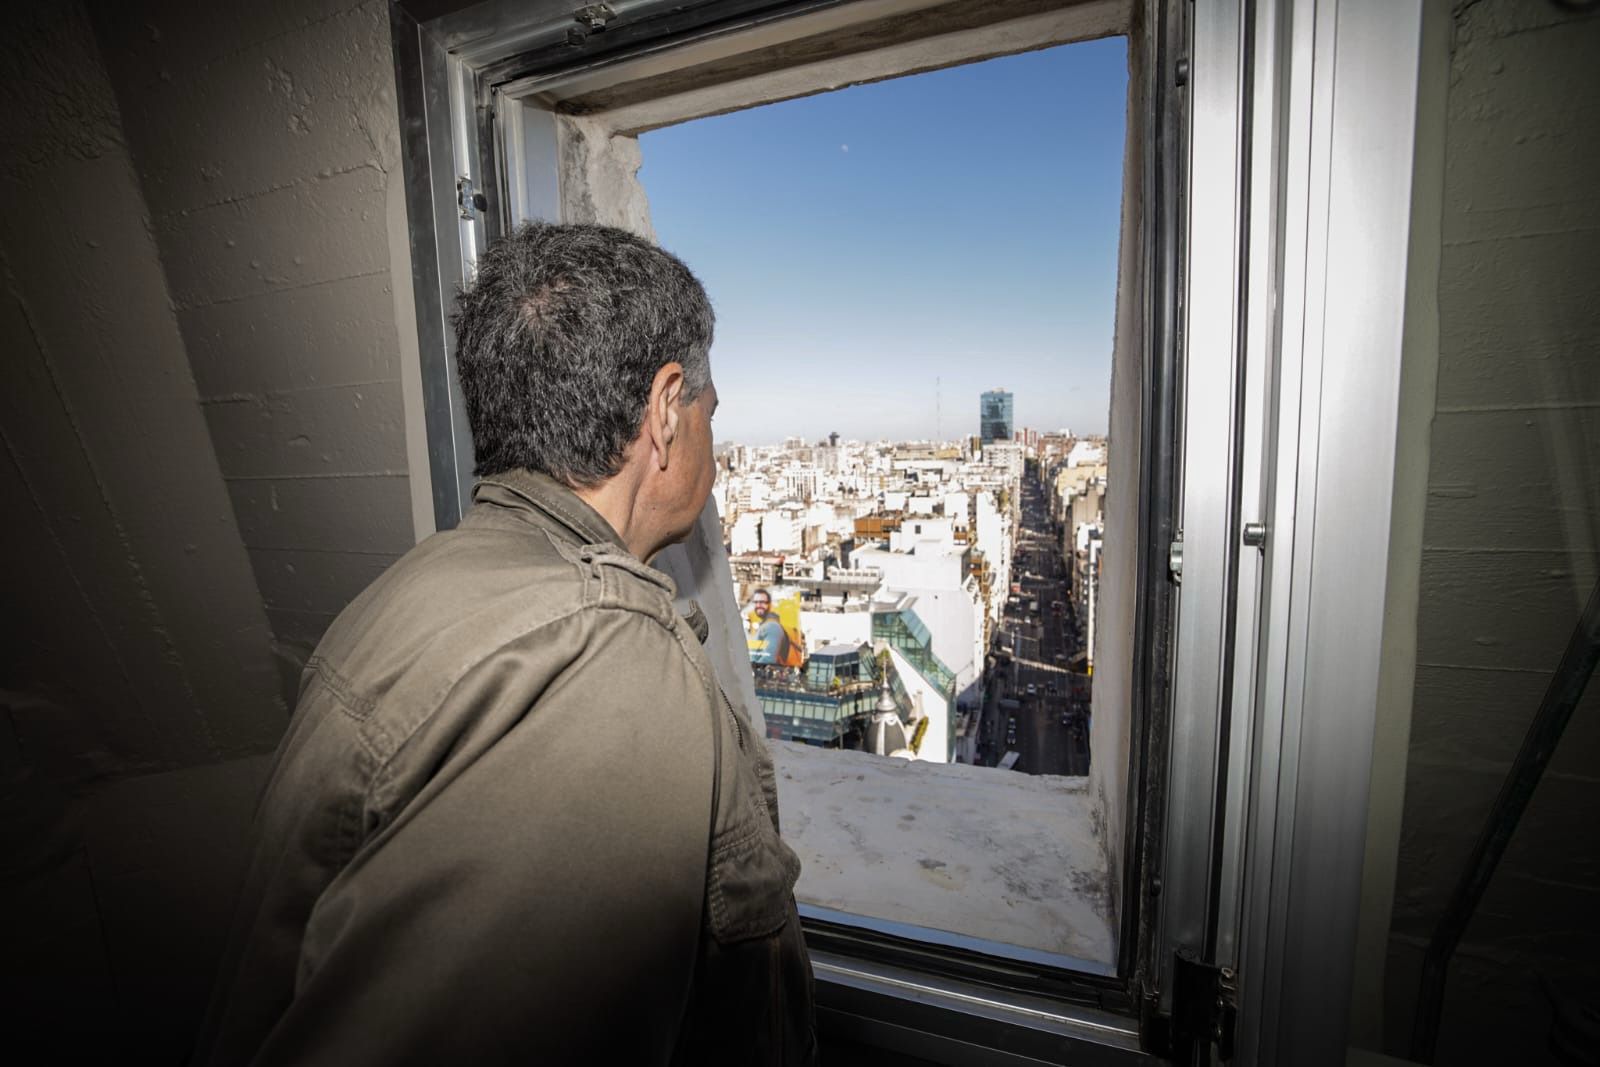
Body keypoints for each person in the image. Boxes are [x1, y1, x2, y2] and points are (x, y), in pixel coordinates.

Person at [194, 222, 816, 1066]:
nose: (714, 437)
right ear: (666, 410)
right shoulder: (601, 667)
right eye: (711, 411)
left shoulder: (409, 588)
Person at [747, 586, 791, 666]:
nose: (758, 605)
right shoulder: (763, 624)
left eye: (762, 602)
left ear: (769, 604)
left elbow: (768, 659)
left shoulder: (772, 626)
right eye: (756, 602)